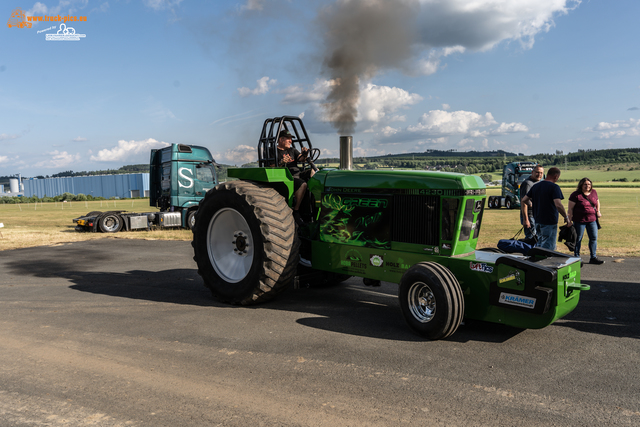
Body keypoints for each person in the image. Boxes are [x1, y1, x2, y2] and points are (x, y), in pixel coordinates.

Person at [521, 167, 571, 250]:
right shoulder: (554, 187)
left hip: (537, 220)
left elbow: (524, 199)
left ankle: (537, 261)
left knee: (539, 243)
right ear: (556, 176)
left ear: (546, 174)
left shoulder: (536, 186)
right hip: (549, 221)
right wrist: (566, 217)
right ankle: (546, 262)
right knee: (548, 246)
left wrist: (532, 205)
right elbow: (558, 205)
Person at [275, 130, 315, 224]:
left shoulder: (292, 150)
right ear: (281, 139)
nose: (291, 141)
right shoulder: (273, 151)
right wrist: (281, 163)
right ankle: (296, 211)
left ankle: (312, 205)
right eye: (288, 139)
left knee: (313, 172)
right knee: (303, 184)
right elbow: (270, 166)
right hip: (286, 176)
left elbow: (301, 159)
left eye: (291, 139)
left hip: (297, 173)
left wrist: (305, 154)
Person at [568, 177, 604, 264]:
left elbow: (597, 202)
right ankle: (576, 258)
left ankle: (593, 257)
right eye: (585, 184)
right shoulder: (575, 195)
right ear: (581, 185)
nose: (587, 186)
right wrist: (569, 220)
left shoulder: (594, 192)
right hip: (579, 220)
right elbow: (570, 209)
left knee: (593, 238)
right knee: (578, 239)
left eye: (589, 184)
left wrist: (598, 211)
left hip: (592, 220)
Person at [519, 164, 544, 241]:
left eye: (541, 173)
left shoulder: (538, 182)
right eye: (537, 172)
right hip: (530, 216)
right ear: (532, 172)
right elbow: (523, 202)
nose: (539, 175)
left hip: (536, 215)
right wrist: (525, 219)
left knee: (537, 239)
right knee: (530, 239)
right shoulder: (528, 183)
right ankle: (528, 253)